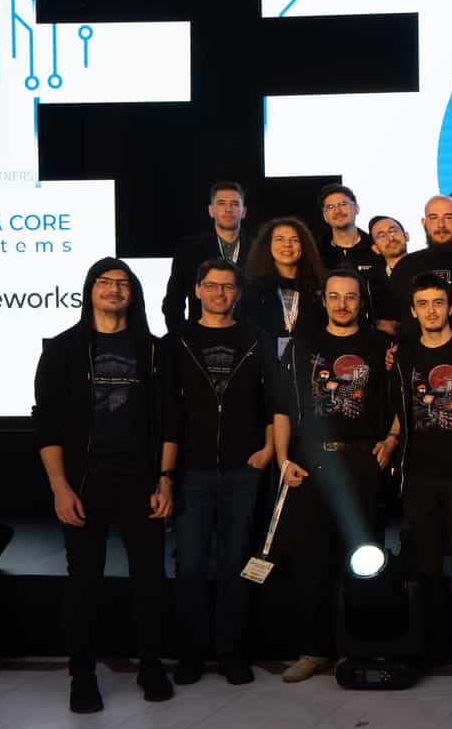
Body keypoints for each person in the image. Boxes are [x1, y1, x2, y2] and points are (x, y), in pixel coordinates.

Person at [34, 258, 175, 713]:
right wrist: (59, 487)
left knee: (150, 583)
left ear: (133, 294)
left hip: (141, 484)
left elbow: (170, 421)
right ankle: (83, 676)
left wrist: (165, 480)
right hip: (83, 485)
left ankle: (151, 666)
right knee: (83, 586)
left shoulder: (153, 351)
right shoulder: (62, 349)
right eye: (105, 282)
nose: (114, 289)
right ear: (89, 290)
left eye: (123, 283)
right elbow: (47, 424)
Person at [271, 269, 397, 684]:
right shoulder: (302, 346)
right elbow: (283, 408)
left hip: (361, 463)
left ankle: (363, 649)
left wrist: (392, 440)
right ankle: (315, 651)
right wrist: (283, 459)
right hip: (312, 466)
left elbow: (400, 398)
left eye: (351, 297)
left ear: (361, 302)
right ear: (323, 300)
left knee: (365, 562)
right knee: (311, 563)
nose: (343, 304)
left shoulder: (380, 346)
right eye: (335, 296)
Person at [162, 258, 272, 687]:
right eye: (212, 286)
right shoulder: (177, 341)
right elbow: (168, 409)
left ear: (238, 294)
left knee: (235, 565)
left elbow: (272, 400)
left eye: (227, 287)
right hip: (192, 470)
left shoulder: (257, 338)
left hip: (244, 470)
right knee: (189, 567)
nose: (219, 293)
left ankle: (231, 653)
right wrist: (167, 471)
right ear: (197, 289)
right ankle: (190, 654)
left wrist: (266, 450)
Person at [390, 273, 452, 679]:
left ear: (451, 308)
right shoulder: (403, 357)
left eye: (438, 302)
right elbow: (395, 411)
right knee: (426, 570)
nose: (431, 311)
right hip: (419, 479)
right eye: (423, 304)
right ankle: (430, 649)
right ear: (413, 311)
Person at [385, 196, 452, 341]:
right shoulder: (406, 265)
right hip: (415, 351)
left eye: (448, 217)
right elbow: (392, 321)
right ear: (424, 223)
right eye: (433, 217)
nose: (441, 225)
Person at [163, 182, 251, 332]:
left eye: (235, 204)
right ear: (211, 210)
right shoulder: (188, 249)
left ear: (244, 212)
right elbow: (173, 301)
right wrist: (181, 338)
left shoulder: (258, 249)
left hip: (248, 338)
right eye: (222, 203)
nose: (228, 209)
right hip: (200, 337)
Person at [242, 217, 327, 359]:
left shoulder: (318, 288)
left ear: (304, 245)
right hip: (265, 364)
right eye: (279, 239)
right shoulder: (253, 289)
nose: (287, 245)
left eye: (294, 240)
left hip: (309, 363)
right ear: (268, 245)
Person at [315, 183, 392, 332]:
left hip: (376, 335)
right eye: (330, 207)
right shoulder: (317, 253)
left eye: (343, 204)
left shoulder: (377, 247)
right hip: (330, 333)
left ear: (356, 208)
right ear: (324, 215)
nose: (337, 211)